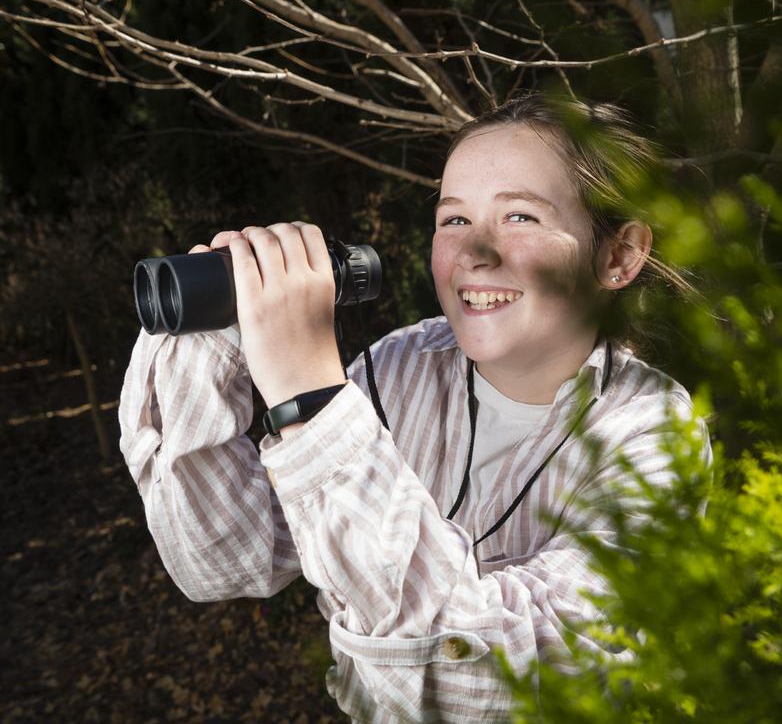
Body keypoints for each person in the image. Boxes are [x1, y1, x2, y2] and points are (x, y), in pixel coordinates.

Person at [118, 93, 711, 722]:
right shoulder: (401, 366)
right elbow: (227, 560)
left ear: (618, 255)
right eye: (454, 220)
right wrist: (219, 339)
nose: (476, 254)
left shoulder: (651, 430)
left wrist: (313, 398)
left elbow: (501, 686)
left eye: (520, 218)